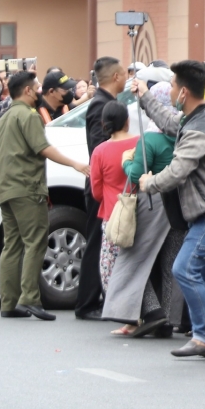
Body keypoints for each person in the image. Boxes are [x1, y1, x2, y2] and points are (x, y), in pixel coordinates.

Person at [132, 60, 205, 359]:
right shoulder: (199, 116)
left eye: (171, 86)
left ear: (183, 93)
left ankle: (204, 336)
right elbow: (171, 124)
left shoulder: (198, 128)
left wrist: (148, 182)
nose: (169, 91)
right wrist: (145, 96)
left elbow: (177, 171)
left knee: (184, 268)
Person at [0, 71, 90, 320]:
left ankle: (9, 302)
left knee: (12, 245)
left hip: (6, 188)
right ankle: (29, 299)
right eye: (36, 88)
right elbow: (43, 148)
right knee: (36, 241)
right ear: (27, 91)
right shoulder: (28, 116)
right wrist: (75, 164)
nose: (39, 92)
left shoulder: (4, 118)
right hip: (27, 187)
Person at [113, 83, 185, 339]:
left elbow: (135, 175)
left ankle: (153, 311)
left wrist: (127, 161)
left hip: (151, 204)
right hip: (179, 205)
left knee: (133, 262)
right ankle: (167, 318)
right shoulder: (184, 135)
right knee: (170, 266)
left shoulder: (150, 139)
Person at [76, 56, 127, 320]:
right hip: (102, 185)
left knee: (103, 241)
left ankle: (97, 299)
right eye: (124, 73)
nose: (127, 77)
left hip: (106, 184)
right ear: (116, 76)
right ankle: (86, 303)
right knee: (97, 241)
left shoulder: (108, 102)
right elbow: (99, 146)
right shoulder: (100, 106)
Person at [88, 101, 140, 331]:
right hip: (140, 212)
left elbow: (96, 191)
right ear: (127, 120)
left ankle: (124, 316)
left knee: (110, 265)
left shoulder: (100, 151)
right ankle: (142, 312)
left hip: (113, 215)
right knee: (138, 264)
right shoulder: (140, 143)